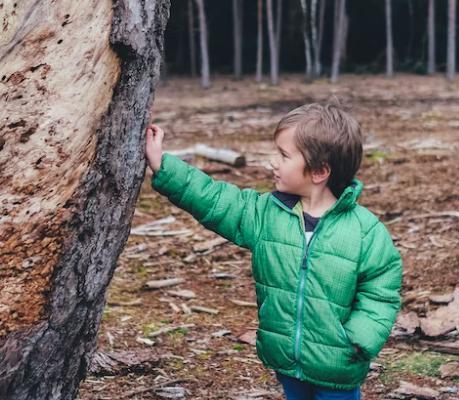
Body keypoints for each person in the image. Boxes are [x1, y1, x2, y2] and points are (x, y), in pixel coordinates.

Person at [146, 103, 403, 400]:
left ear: (319, 171)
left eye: (283, 155)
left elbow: (382, 289)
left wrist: (359, 340)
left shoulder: (364, 231)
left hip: (337, 367)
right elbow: (215, 200)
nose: (272, 162)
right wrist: (163, 165)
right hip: (284, 358)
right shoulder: (266, 214)